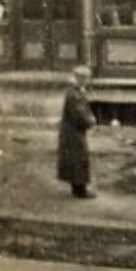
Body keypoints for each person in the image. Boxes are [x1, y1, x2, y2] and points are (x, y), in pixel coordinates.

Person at [57, 66, 96, 199]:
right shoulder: (75, 94)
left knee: (75, 160)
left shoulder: (74, 92)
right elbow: (79, 113)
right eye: (86, 79)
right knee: (79, 159)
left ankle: (77, 188)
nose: (88, 82)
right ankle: (80, 190)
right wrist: (90, 121)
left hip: (71, 130)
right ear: (81, 79)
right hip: (74, 131)